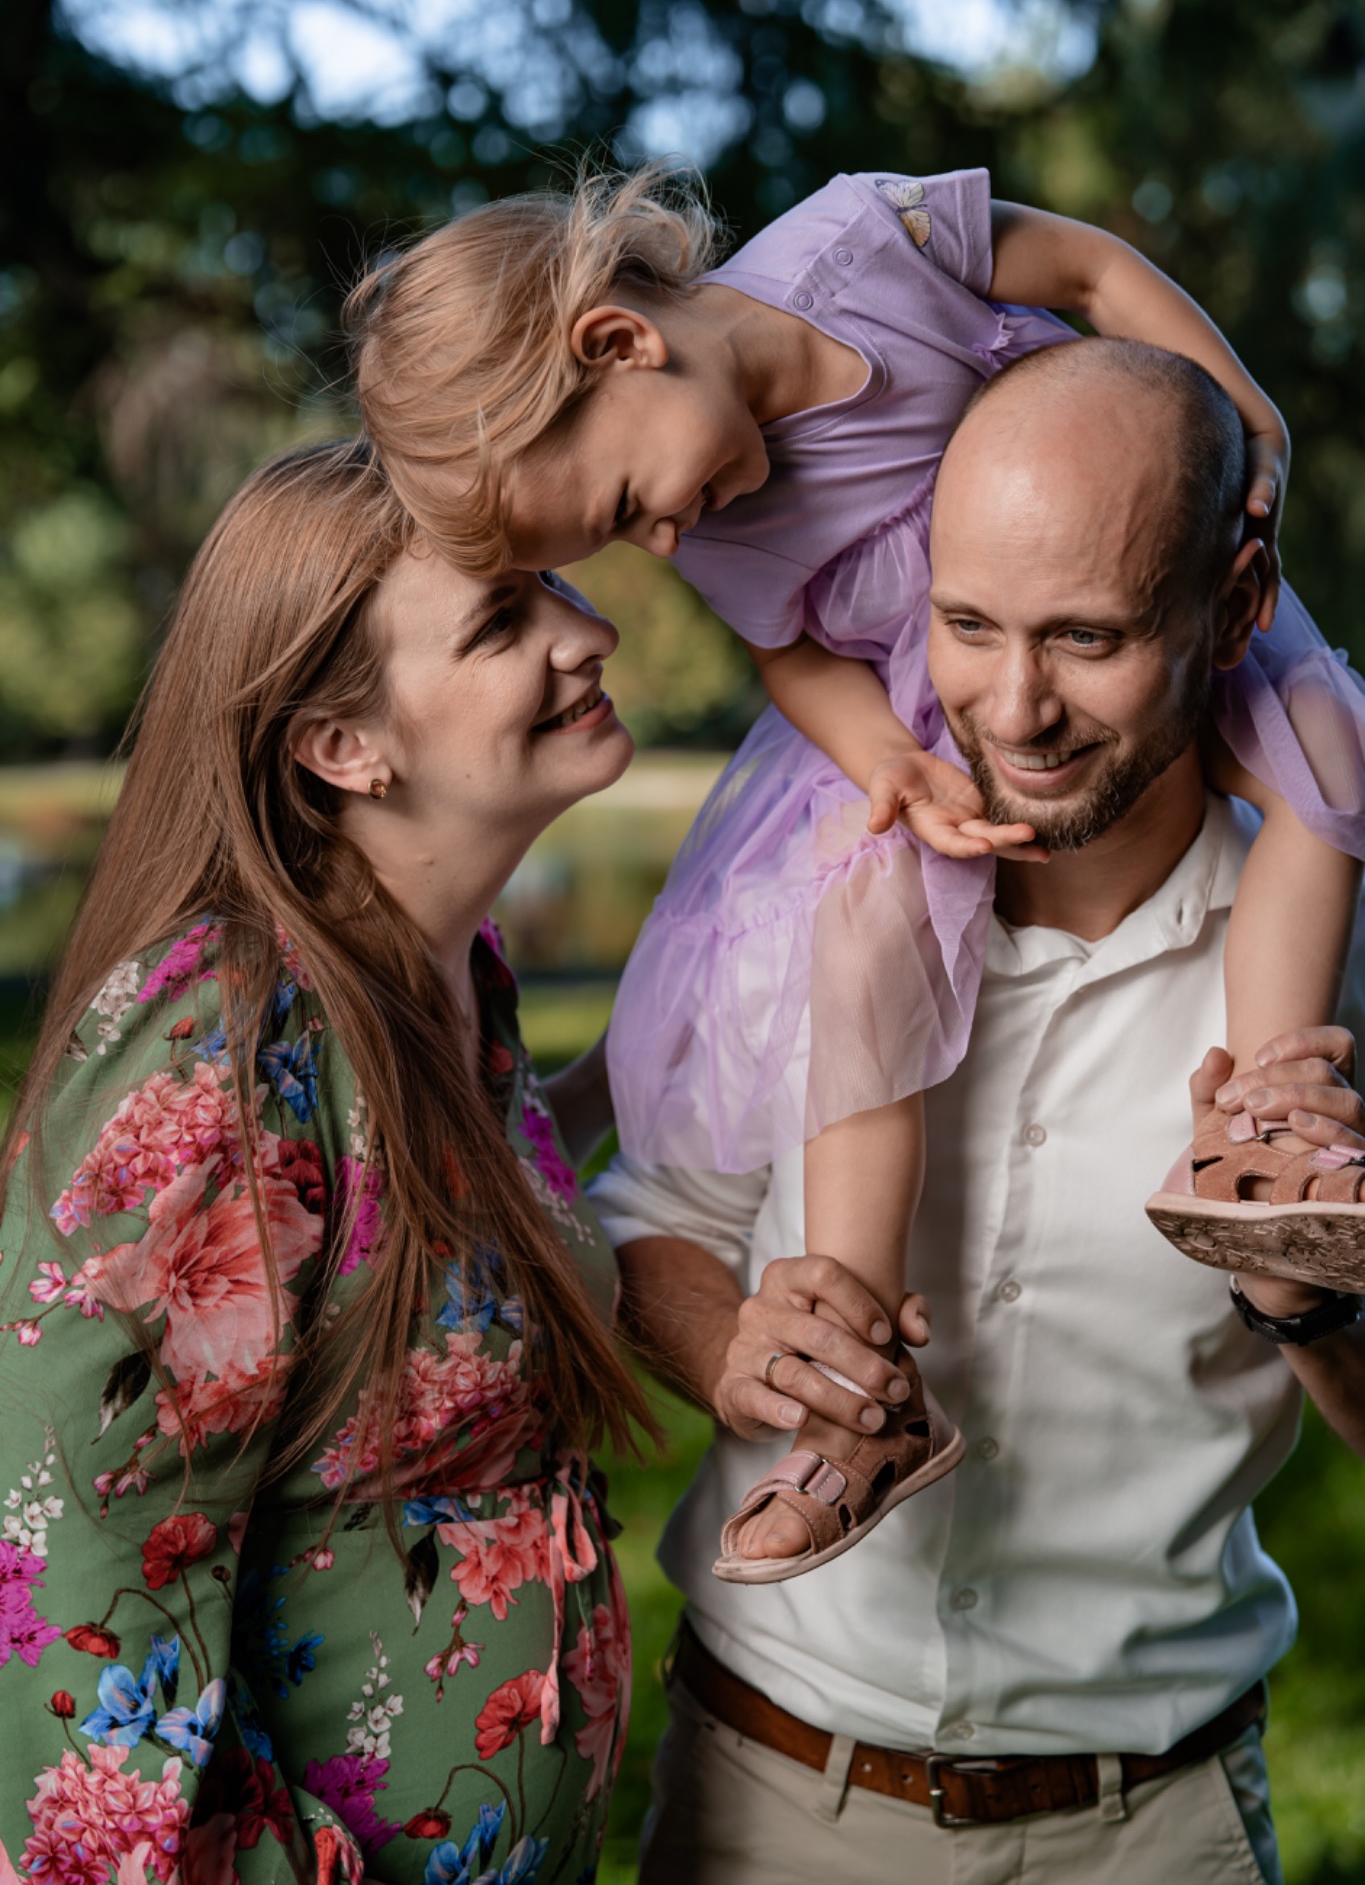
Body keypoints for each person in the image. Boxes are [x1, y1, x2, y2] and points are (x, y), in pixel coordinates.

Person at [345, 163, 1365, 1581]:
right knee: (863, 926)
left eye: (631, 499)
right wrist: (887, 761)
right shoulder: (723, 525)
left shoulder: (859, 246)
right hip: (899, 719)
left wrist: (1238, 408)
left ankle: (1272, 1121)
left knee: (1330, 760)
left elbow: (1078, 274)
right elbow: (793, 653)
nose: (659, 541)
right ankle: (862, 1367)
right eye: (624, 534)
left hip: (1138, 517)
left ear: (619, 343)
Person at [587, 337, 1365, 1885]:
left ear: (1238, 603)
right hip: (762, 1800)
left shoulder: (1336, 946)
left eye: (1087, 637)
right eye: (966, 625)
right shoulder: (814, 870)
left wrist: (1309, 1311)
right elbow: (649, 1225)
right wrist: (732, 1352)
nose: (1015, 705)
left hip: (1155, 1830)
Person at [0, 440, 647, 1885]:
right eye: (499, 619)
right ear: (342, 746)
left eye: (549, 583)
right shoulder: (229, 1035)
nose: (585, 627)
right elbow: (70, 1576)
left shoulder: (446, 980)